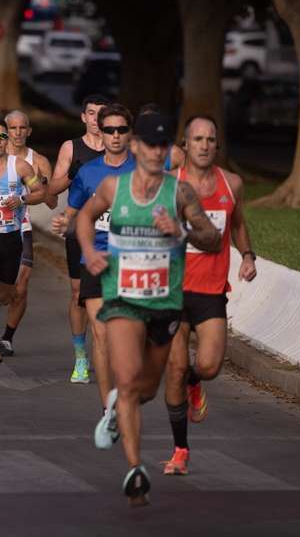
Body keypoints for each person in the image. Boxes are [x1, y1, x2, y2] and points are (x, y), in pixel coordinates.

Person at [75, 110, 221, 506]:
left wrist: (183, 230)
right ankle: (135, 469)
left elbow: (213, 237)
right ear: (136, 146)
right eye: (150, 144)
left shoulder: (180, 193)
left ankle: (116, 409)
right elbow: (83, 219)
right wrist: (89, 252)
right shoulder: (113, 188)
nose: (156, 152)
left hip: (165, 305)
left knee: (147, 391)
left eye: (162, 145)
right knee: (127, 376)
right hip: (123, 300)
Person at [161, 115, 257, 476]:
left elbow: (240, 224)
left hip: (211, 291)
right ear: (185, 145)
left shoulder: (232, 184)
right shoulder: (168, 185)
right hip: (171, 291)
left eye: (210, 139)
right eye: (197, 139)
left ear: (217, 145)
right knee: (173, 367)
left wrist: (248, 255)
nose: (203, 145)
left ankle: (194, 382)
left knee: (209, 366)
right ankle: (180, 450)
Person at [53, 104, 135, 421]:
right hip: (97, 260)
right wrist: (63, 221)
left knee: (127, 338)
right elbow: (73, 212)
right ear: (100, 129)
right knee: (101, 336)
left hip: (133, 262)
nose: (115, 136)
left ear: (130, 133)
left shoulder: (143, 171)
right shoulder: (88, 172)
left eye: (121, 130)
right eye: (109, 129)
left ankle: (127, 390)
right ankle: (108, 409)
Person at [0, 118, 44, 369]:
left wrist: (22, 198)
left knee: (5, 294)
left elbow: (40, 193)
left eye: (2, 137)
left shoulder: (20, 167)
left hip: (12, 238)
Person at [47, 95, 108, 382]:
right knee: (78, 295)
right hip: (81, 234)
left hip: (115, 234)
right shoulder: (72, 147)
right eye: (91, 113)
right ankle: (81, 355)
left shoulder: (118, 148)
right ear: (83, 117)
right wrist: (73, 173)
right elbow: (52, 190)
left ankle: (108, 354)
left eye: (101, 114)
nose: (96, 119)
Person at [0, 109, 56, 355]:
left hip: (23, 228)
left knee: (21, 286)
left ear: (29, 131)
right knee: (1, 288)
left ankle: (7, 338)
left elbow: (52, 201)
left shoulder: (40, 161)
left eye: (23, 128)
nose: (18, 133)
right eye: (13, 128)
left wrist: (42, 186)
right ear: (6, 131)